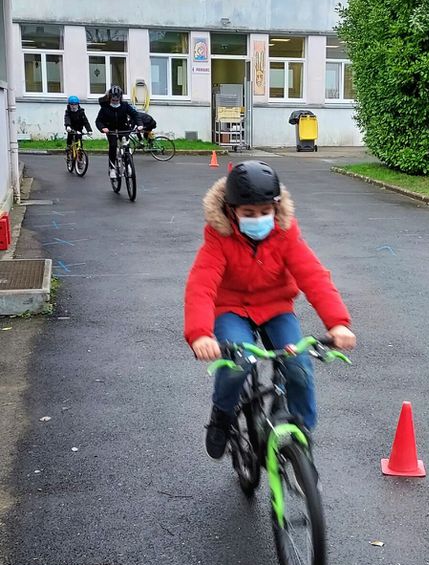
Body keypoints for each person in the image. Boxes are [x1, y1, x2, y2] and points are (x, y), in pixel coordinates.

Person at [184, 160, 356, 460]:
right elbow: (201, 285)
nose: (259, 219)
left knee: (299, 366)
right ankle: (222, 415)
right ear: (230, 211)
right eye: (249, 214)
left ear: (276, 208)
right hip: (232, 309)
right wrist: (200, 334)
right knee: (240, 363)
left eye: (266, 212)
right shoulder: (219, 237)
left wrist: (338, 323)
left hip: (276, 308)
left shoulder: (285, 232)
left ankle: (303, 433)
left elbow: (312, 275)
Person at [95, 86, 143, 178]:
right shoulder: (105, 108)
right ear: (110, 98)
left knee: (126, 145)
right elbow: (98, 121)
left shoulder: (125, 105)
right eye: (113, 100)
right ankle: (112, 168)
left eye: (117, 100)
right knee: (113, 146)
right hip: (111, 130)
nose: (115, 102)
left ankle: (128, 165)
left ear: (120, 98)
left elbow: (135, 114)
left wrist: (139, 124)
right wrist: (103, 128)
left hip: (123, 128)